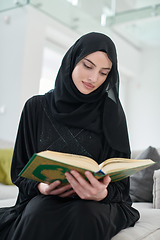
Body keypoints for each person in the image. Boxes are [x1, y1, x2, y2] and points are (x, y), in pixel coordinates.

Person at [0, 32, 140, 240]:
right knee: (37, 213)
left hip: (95, 204)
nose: (94, 78)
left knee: (85, 214)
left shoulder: (112, 114)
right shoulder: (36, 107)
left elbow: (121, 186)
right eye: (88, 66)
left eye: (104, 73)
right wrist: (42, 187)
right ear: (72, 60)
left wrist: (101, 193)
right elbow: (19, 172)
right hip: (44, 197)